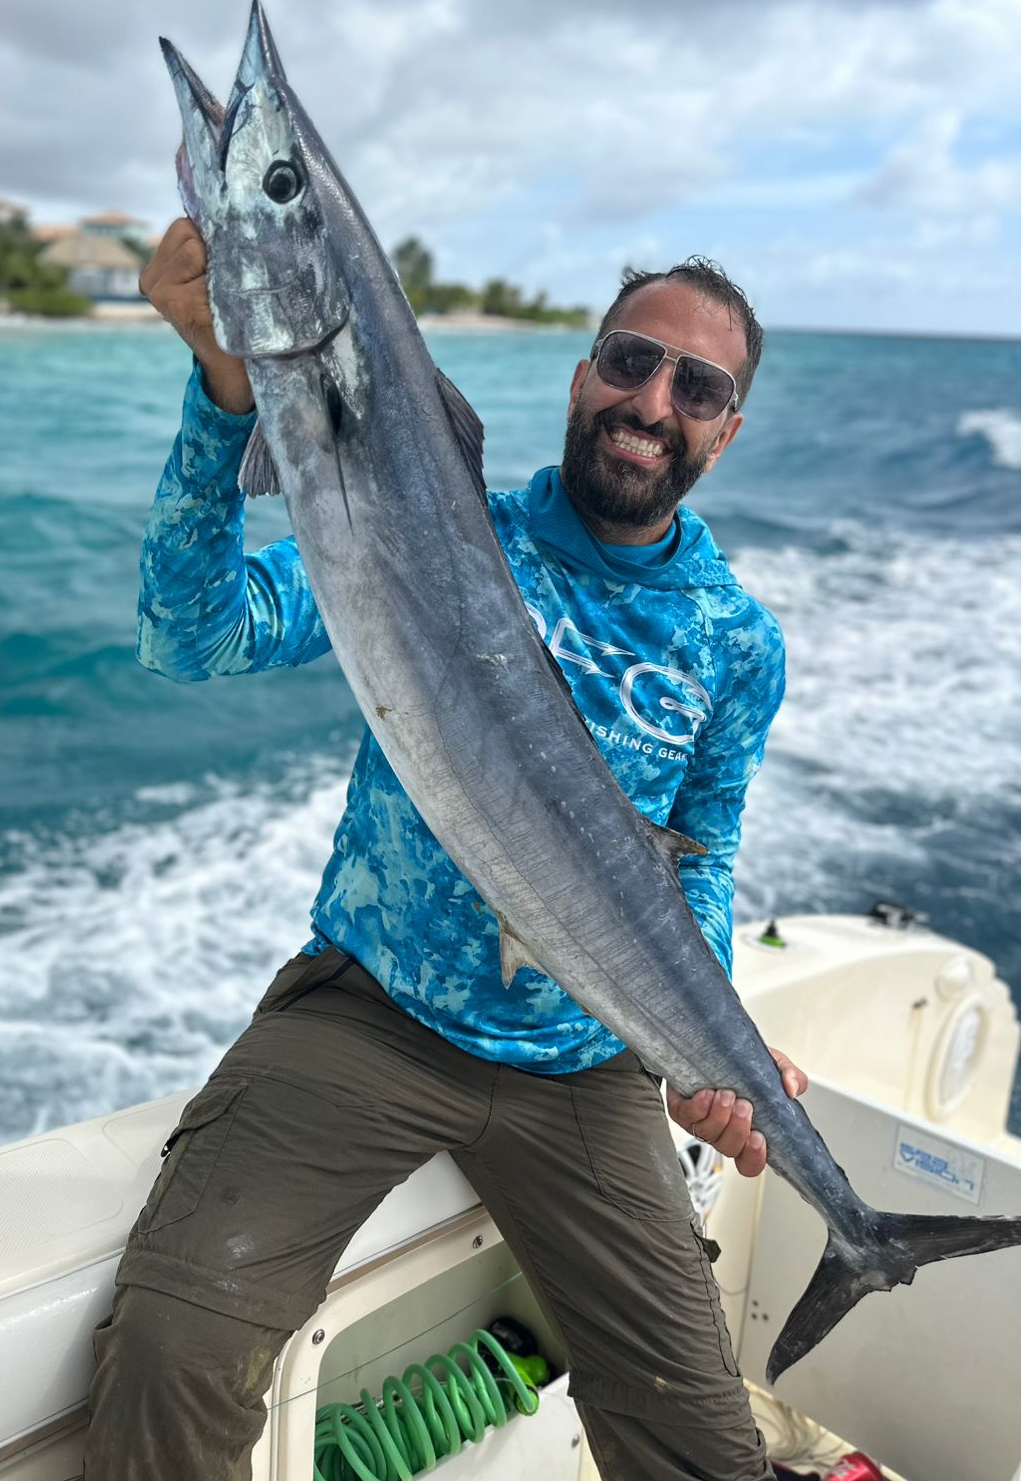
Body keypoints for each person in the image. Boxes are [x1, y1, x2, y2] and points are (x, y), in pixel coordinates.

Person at [83, 221, 806, 1481]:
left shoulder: (733, 642)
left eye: (697, 387)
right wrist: (220, 387)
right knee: (172, 1351)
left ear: (725, 429)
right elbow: (190, 634)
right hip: (370, 1012)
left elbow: (698, 861)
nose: (653, 401)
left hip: (583, 1067)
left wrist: (707, 1046)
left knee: (704, 1449)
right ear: (583, 374)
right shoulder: (428, 534)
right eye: (632, 361)